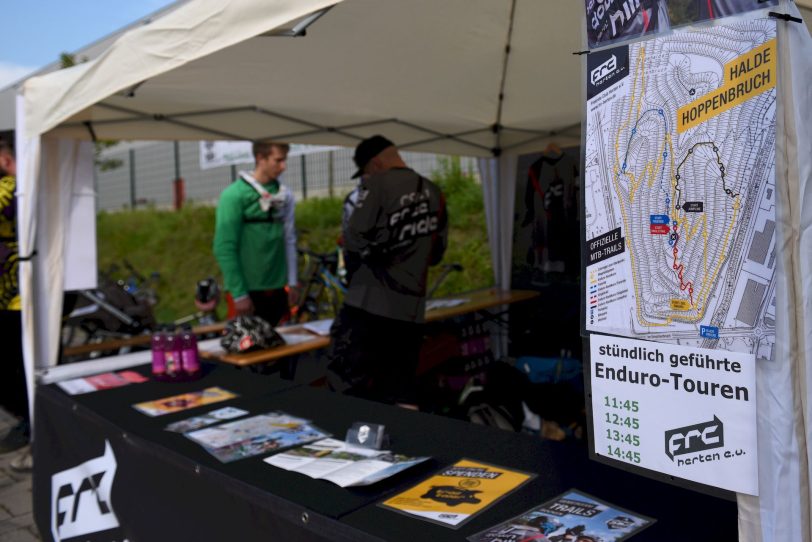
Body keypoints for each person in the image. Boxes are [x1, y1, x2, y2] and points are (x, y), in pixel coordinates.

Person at [327, 135, 448, 405]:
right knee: (402, 391)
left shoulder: (376, 186)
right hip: (411, 311)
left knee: (349, 387)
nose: (366, 177)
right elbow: (437, 253)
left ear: (376, 164)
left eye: (366, 171)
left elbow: (353, 242)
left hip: (369, 308)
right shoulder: (434, 191)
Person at [213, 141, 298, 326]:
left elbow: (289, 239)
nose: (283, 166)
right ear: (260, 158)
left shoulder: (286, 195)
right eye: (278, 160)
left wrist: (292, 282)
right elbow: (224, 247)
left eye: (285, 160)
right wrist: (239, 293)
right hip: (248, 291)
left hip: (277, 288)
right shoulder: (234, 195)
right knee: (248, 350)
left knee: (281, 348)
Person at [0, 136, 31, 459]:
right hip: (10, 295)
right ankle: (27, 419)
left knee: (15, 364)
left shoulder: (11, 188)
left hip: (16, 297)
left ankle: (29, 421)